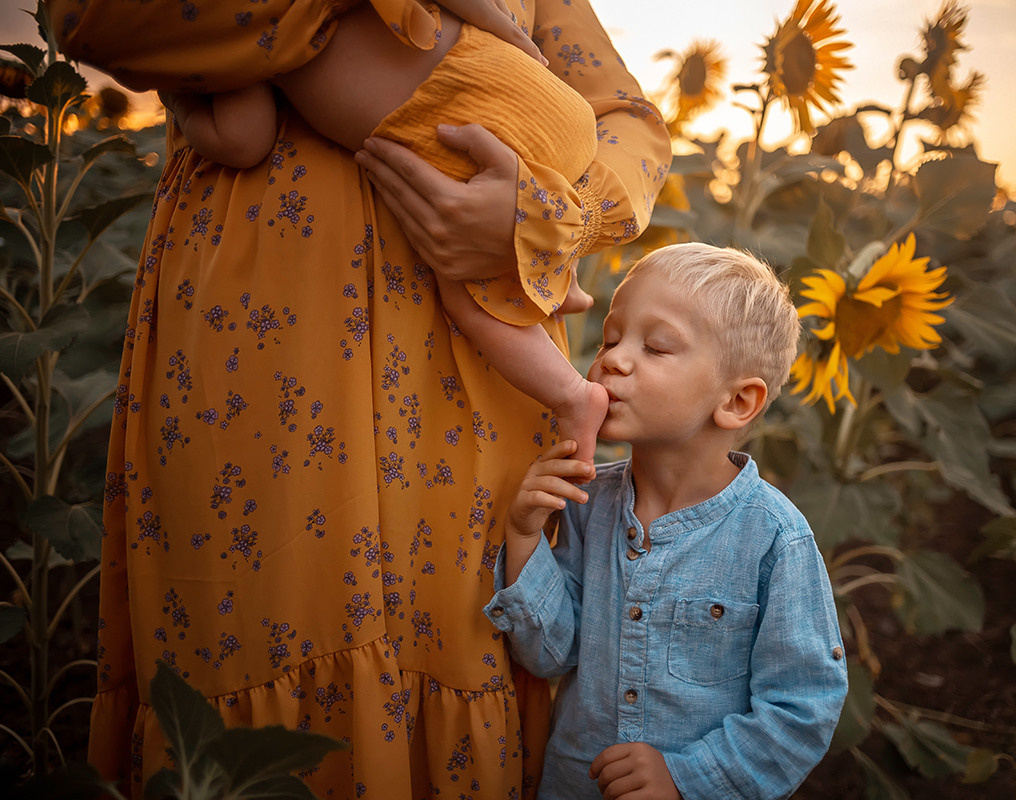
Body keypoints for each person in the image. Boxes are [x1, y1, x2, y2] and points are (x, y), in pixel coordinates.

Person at [48, 0, 672, 796]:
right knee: (245, 679)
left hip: (468, 389)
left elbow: (631, 123)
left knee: (461, 635)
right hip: (261, 368)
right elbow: (92, 17)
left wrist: (551, 213)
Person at [162, 2, 610, 462]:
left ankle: (572, 394)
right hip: (530, 90)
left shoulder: (243, 30)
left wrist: (179, 93)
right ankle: (558, 275)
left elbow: (242, 139)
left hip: (471, 123)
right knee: (507, 216)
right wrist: (501, 25)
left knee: (462, 277)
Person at [484, 243, 849, 799]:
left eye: (655, 347)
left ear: (736, 402)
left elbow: (803, 707)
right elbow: (553, 654)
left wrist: (688, 778)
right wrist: (524, 537)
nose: (612, 359)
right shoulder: (589, 502)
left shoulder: (774, 537)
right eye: (610, 337)